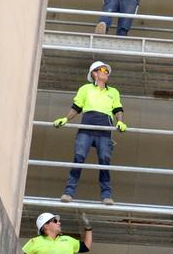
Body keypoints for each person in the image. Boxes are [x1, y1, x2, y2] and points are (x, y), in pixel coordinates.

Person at [53, 60, 126, 205]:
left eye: (107, 71)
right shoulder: (85, 89)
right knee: (79, 157)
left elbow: (117, 109)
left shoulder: (113, 92)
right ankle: (68, 192)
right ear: (94, 73)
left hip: (104, 130)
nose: (106, 73)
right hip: (86, 128)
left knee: (104, 161)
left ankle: (106, 195)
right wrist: (65, 119)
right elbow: (77, 107)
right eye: (103, 70)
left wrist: (120, 121)